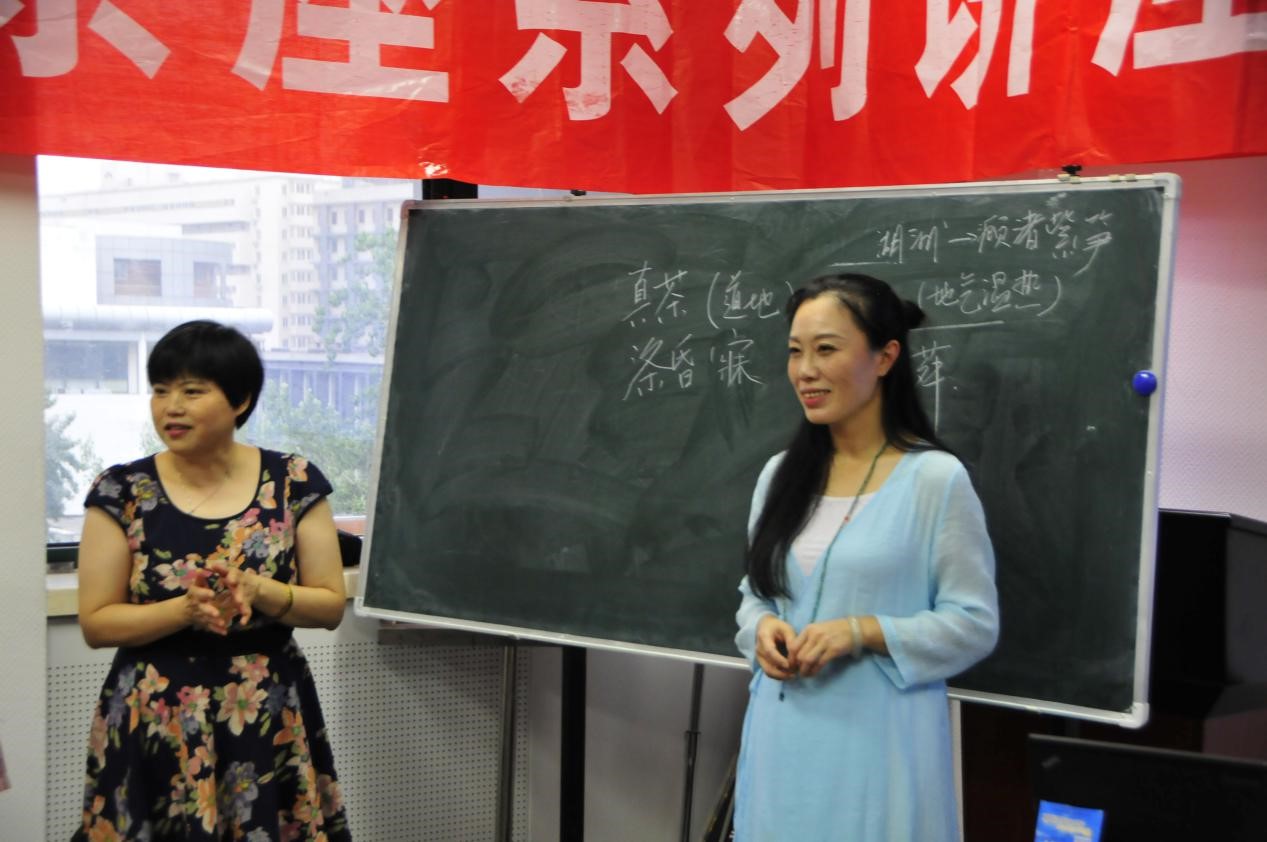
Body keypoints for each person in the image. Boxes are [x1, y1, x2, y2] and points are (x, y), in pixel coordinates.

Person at [732, 273, 999, 841]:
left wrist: (863, 631)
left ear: (885, 357)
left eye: (826, 349)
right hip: (781, 742)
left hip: (879, 751)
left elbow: (974, 624)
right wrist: (761, 629)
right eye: (795, 352)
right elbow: (756, 596)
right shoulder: (779, 476)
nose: (805, 371)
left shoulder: (934, 479)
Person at [73, 320, 351, 841]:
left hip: (266, 708)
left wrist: (260, 590)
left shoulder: (293, 482)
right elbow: (96, 622)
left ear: (240, 400)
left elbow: (330, 606)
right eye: (160, 391)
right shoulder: (122, 490)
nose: (171, 407)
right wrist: (185, 610)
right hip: (154, 712)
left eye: (192, 391)